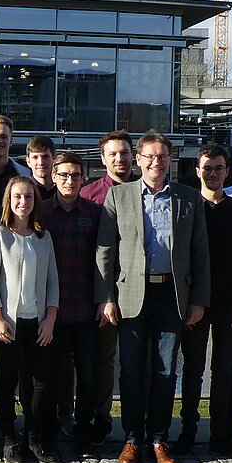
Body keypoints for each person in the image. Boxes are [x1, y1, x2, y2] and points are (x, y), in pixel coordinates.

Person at [95, 132, 209, 463]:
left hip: (173, 295)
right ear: (138, 160)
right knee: (130, 371)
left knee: (165, 371)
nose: (155, 162)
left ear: (170, 160)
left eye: (162, 156)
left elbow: (200, 254)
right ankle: (132, 438)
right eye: (149, 156)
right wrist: (105, 297)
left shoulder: (189, 198)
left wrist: (199, 300)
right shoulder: (119, 196)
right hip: (131, 295)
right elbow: (105, 251)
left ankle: (159, 438)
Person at [178, 145, 232, 456]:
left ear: (228, 172)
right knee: (192, 370)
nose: (212, 173)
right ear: (198, 171)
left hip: (230, 306)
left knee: (225, 370)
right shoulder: (186, 208)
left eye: (218, 168)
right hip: (194, 304)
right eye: (207, 168)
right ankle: (187, 430)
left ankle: (220, 435)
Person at [0, 176, 61, 463]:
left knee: (41, 382)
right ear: (9, 200)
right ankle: (9, 440)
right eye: (17, 196)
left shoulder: (44, 237)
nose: (23, 202)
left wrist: (51, 318)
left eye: (28, 197)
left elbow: (53, 279)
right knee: (6, 381)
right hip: (8, 323)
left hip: (39, 322)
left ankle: (33, 437)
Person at [39, 150, 101, 452]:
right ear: (53, 176)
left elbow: (105, 261)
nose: (69, 180)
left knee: (88, 374)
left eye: (75, 175)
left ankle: (83, 428)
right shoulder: (41, 213)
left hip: (85, 307)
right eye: (63, 175)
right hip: (49, 310)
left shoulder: (95, 213)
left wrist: (104, 301)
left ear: (83, 178)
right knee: (49, 373)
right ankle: (49, 427)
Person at [80, 130, 136, 444]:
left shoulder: (149, 190)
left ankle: (136, 424)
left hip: (142, 291)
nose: (119, 159)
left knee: (139, 361)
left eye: (124, 153)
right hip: (102, 293)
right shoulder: (90, 194)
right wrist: (102, 296)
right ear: (103, 159)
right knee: (102, 359)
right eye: (113, 154)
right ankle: (99, 417)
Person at [25, 136, 57, 200]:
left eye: (45, 157)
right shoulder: (23, 190)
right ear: (28, 161)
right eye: (35, 157)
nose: (41, 162)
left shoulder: (64, 189)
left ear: (54, 159)